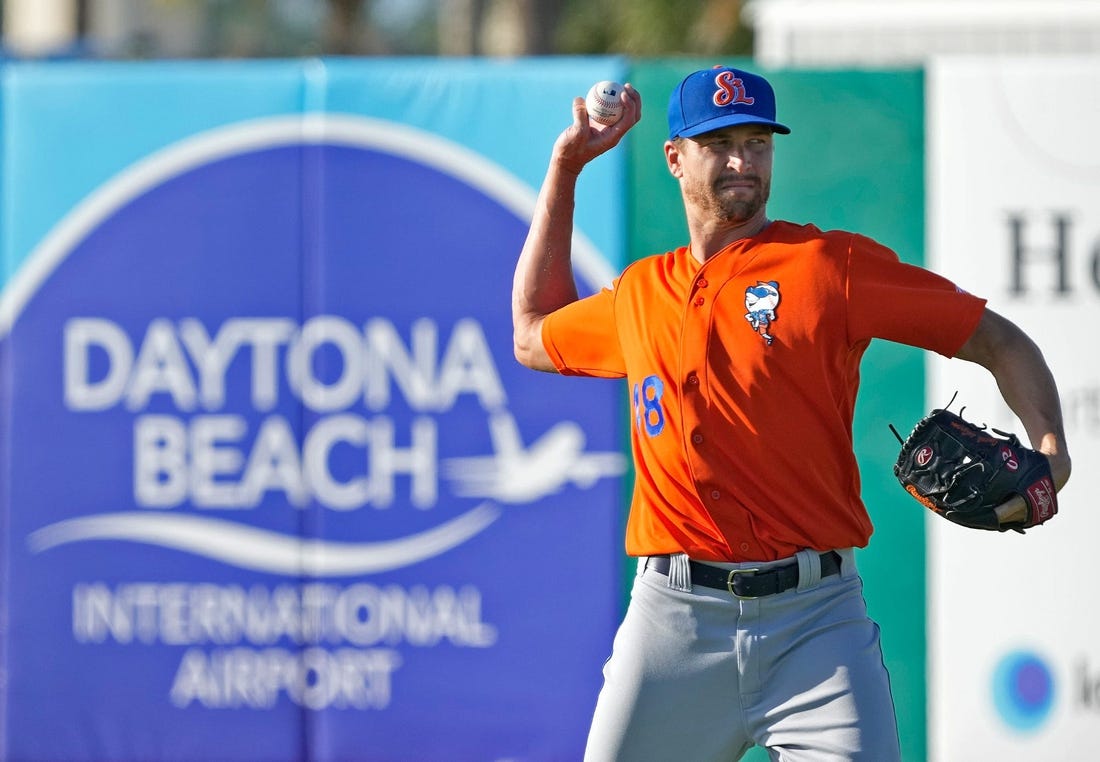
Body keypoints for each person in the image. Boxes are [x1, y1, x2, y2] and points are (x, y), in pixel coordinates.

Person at [511, 65, 1072, 761]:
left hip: (817, 627)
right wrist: (566, 166)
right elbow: (533, 332)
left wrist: (1051, 448)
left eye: (758, 141)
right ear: (675, 158)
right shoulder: (641, 294)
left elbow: (999, 339)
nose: (743, 161)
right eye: (719, 143)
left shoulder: (826, 267)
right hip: (673, 625)